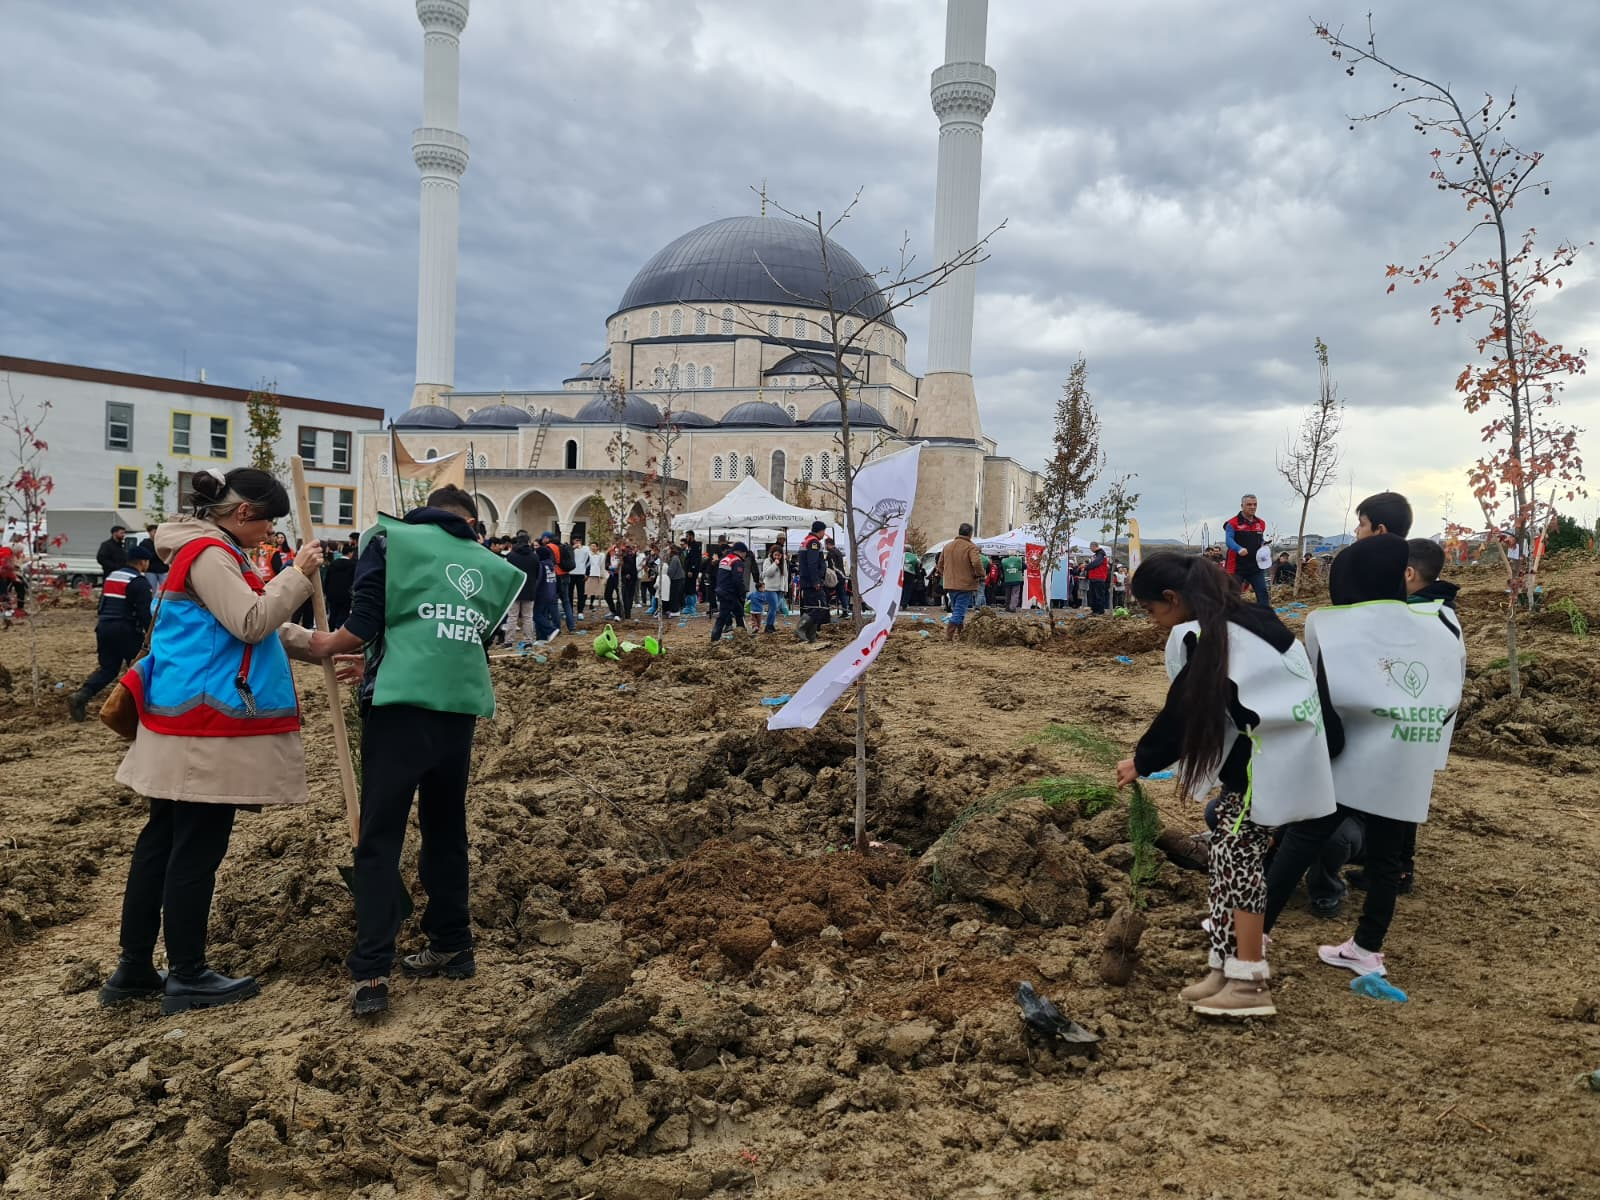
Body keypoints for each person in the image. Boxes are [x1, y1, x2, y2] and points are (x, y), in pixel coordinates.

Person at [100, 467, 326, 1013]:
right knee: (195, 849)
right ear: (244, 512)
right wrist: (296, 574)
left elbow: (242, 619)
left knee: (161, 843)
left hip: (181, 717)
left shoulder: (205, 549)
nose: (270, 533)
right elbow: (251, 620)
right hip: (203, 726)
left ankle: (134, 968)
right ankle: (188, 974)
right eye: (267, 522)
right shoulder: (210, 553)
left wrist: (321, 644)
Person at [307, 484, 524, 1016]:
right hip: (457, 710)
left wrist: (322, 645)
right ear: (468, 520)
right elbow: (453, 636)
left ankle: (372, 972)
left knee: (380, 836)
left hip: (400, 710)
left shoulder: (391, 540)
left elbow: (362, 623)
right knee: (446, 829)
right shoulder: (487, 564)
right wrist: (375, 659)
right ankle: (453, 943)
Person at [1116, 552, 1336, 1018]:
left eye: (1152, 610)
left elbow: (1184, 709)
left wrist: (1142, 760)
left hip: (1268, 764)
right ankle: (1222, 967)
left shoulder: (1229, 635)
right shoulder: (1242, 621)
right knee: (1222, 863)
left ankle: (1249, 982)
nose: (1154, 622)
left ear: (1172, 598)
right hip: (1260, 760)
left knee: (1240, 867)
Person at [1261, 534, 1463, 982]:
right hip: (1408, 753)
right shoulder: (1442, 623)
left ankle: (1254, 933)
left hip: (1347, 756)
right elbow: (1451, 694)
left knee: (1302, 838)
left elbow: (1321, 700)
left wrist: (1318, 756)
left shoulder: (1331, 624)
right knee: (1387, 859)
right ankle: (1368, 948)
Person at [67, 543, 155, 722]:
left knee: (108, 669)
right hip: (126, 630)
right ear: (142, 562)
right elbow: (145, 613)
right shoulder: (139, 582)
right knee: (140, 668)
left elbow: (102, 604)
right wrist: (151, 635)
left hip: (104, 627)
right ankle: (141, 708)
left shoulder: (113, 577)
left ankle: (81, 696)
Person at [940, 522, 986, 641]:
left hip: (950, 584)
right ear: (970, 534)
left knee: (957, 609)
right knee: (959, 611)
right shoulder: (971, 547)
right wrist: (980, 574)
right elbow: (976, 562)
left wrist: (946, 575)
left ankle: (962, 633)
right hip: (965, 584)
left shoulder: (947, 546)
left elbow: (940, 564)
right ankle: (949, 635)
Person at [1223, 494, 1271, 608]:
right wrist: (1238, 549)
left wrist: (1263, 544)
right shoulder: (1232, 523)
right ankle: (1231, 616)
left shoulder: (1261, 523)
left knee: (1263, 592)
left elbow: (1259, 539)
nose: (1252, 507)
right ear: (1242, 506)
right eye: (1249, 504)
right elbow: (1228, 540)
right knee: (1233, 595)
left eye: (1255, 504)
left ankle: (1264, 616)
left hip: (1255, 566)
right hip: (1236, 567)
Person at [793, 521, 833, 644]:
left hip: (806, 580)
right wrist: (816, 581)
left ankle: (811, 635)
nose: (824, 534)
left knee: (812, 607)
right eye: (823, 531)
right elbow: (812, 563)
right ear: (820, 531)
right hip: (812, 582)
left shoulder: (806, 540)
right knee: (820, 607)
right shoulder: (813, 542)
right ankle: (801, 628)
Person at [710, 542, 751, 641]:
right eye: (745, 553)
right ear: (741, 552)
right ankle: (716, 637)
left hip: (721, 589)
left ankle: (742, 634)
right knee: (730, 614)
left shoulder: (725, 559)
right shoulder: (737, 561)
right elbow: (738, 580)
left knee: (735, 612)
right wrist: (742, 593)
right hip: (730, 592)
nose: (745, 556)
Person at [506, 535, 540, 645]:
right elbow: (537, 574)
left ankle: (509, 641)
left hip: (514, 589)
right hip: (529, 589)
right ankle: (528, 640)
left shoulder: (511, 556)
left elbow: (508, 573)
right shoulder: (534, 556)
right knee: (528, 617)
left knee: (512, 616)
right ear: (528, 542)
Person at [325, 538, 357, 631]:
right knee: (343, 614)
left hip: (332, 594)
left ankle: (330, 631)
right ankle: (339, 631)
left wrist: (327, 592)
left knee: (333, 614)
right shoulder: (353, 565)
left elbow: (327, 579)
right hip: (345, 595)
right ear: (350, 553)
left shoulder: (333, 563)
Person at [755, 544, 786, 634]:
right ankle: (768, 626)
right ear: (772, 554)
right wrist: (775, 564)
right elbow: (768, 573)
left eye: (779, 555)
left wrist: (785, 588)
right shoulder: (767, 561)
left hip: (779, 588)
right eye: (775, 555)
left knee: (775, 608)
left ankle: (771, 625)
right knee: (773, 607)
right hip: (769, 588)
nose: (777, 557)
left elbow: (785, 575)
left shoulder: (783, 562)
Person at [1085, 542, 1110, 614]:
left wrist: (1087, 567)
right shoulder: (1096, 554)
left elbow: (1096, 563)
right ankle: (1094, 610)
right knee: (1093, 595)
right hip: (1093, 577)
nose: (1091, 550)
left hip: (1099, 577)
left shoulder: (1101, 554)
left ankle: (1100, 610)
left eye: (1091, 548)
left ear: (1094, 546)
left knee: (1098, 595)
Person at [570, 538, 592, 617]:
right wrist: (572, 548)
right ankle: (570, 611)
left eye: (579, 540)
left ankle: (580, 611)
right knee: (569, 593)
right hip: (571, 573)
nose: (577, 542)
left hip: (581, 573)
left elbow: (589, 562)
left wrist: (587, 573)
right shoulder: (570, 549)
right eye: (575, 540)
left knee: (581, 593)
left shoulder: (586, 549)